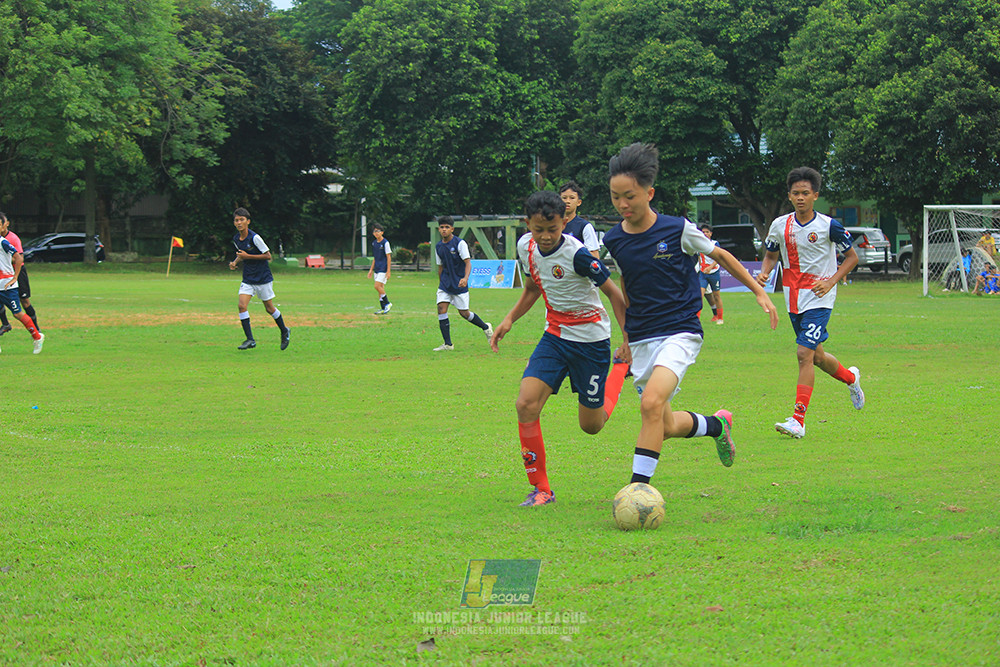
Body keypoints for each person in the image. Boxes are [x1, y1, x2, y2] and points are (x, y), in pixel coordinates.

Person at [601, 143, 778, 487]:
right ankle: (716, 425)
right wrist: (624, 338)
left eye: (630, 196)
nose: (622, 205)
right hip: (640, 339)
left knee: (650, 404)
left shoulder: (677, 229)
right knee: (663, 424)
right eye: (615, 197)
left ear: (649, 193)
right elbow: (625, 289)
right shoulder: (614, 240)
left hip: (680, 332)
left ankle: (639, 490)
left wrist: (759, 292)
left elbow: (722, 256)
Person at [490, 191, 630, 507]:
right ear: (528, 224)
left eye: (553, 229)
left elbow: (614, 294)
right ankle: (541, 489)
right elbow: (531, 288)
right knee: (526, 404)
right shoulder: (525, 247)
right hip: (554, 336)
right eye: (539, 229)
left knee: (591, 426)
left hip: (592, 342)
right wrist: (509, 319)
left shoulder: (578, 255)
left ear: (564, 222)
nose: (546, 236)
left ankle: (620, 370)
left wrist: (627, 341)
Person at [757, 167, 865, 439]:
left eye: (806, 193)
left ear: (815, 195)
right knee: (816, 356)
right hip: (794, 298)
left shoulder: (829, 225)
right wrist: (765, 271)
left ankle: (798, 419)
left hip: (820, 297)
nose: (801, 197)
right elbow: (770, 254)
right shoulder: (780, 225)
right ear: (790, 196)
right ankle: (851, 379)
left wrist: (831, 281)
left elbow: (852, 258)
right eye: (796, 193)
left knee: (803, 354)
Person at [229, 207, 291, 351]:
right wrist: (235, 262)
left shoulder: (255, 237)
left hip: (263, 278)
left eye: (242, 220)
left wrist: (247, 257)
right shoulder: (236, 239)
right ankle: (250, 339)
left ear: (248, 221)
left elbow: (268, 256)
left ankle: (284, 330)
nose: (239, 223)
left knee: (269, 308)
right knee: (241, 306)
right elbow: (241, 253)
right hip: (248, 278)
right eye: (236, 220)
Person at [433, 216, 492, 351]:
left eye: (447, 227)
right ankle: (448, 344)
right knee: (441, 309)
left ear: (452, 229)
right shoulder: (438, 246)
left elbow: (467, 262)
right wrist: (441, 282)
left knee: (464, 313)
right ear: (439, 229)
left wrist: (465, 278)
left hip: (459, 283)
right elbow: (440, 267)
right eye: (442, 227)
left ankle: (486, 327)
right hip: (445, 284)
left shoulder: (460, 244)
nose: (444, 229)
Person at [0, 212, 44, 354]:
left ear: (3, 226)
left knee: (17, 313)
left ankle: (37, 337)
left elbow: (18, 258)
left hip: (7, 284)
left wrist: (14, 277)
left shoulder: (3, 242)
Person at [559, 181, 601, 258]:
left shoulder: (585, 226)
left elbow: (595, 257)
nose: (567, 201)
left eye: (572, 198)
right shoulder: (552, 225)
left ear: (579, 202)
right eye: (564, 198)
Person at [696, 223, 724, 325]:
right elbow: (698, 256)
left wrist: (710, 267)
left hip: (713, 272)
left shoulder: (715, 243)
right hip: (703, 273)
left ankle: (720, 318)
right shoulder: (698, 243)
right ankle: (696, 319)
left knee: (716, 295)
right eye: (703, 232)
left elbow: (718, 258)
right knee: (699, 295)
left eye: (707, 232)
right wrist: (701, 266)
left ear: (711, 233)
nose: (705, 234)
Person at [367, 223, 393, 314]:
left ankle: (388, 303)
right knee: (380, 288)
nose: (376, 233)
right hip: (377, 268)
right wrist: (371, 270)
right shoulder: (374, 243)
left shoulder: (385, 243)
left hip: (383, 268)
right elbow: (375, 257)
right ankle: (383, 308)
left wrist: (388, 271)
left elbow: (388, 257)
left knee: (377, 286)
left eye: (378, 231)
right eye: (374, 231)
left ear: (382, 232)